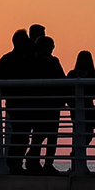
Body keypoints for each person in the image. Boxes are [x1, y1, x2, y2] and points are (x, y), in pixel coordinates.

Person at [26, 36, 68, 174]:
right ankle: (33, 160)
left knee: (52, 135)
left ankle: (48, 163)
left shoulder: (55, 61)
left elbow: (63, 79)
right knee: (39, 134)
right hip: (41, 104)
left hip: (53, 104)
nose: (52, 49)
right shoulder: (34, 61)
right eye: (50, 46)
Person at [0, 28, 32, 172]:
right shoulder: (11, 60)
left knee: (21, 135)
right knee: (20, 135)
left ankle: (15, 163)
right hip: (17, 103)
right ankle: (14, 163)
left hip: (20, 102)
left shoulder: (12, 59)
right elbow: (1, 82)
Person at [68, 50, 95, 173]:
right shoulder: (72, 74)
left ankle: (76, 155)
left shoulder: (92, 75)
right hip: (77, 108)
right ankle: (77, 161)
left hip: (88, 107)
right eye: (82, 59)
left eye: (86, 59)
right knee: (79, 133)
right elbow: (67, 90)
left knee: (88, 131)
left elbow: (94, 92)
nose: (84, 61)